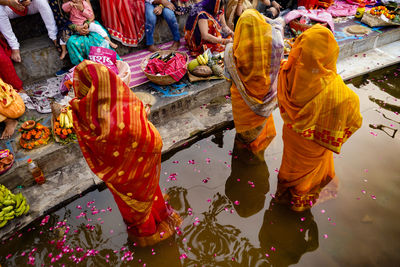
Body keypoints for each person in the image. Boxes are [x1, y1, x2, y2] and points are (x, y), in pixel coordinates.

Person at [70, 60, 181, 247]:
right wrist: (143, 117)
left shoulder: (81, 112)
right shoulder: (125, 101)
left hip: (118, 176)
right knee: (149, 195)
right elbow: (144, 135)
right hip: (141, 169)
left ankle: (146, 236)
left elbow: (93, 141)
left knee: (133, 206)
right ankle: (155, 229)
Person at [277, 24, 362, 212]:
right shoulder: (336, 93)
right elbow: (354, 117)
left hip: (292, 139)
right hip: (314, 147)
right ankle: (297, 208)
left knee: (291, 169)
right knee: (305, 180)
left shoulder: (287, 72)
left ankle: (285, 202)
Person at [224, 9, 284, 155]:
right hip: (267, 98)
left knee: (246, 138)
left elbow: (228, 78)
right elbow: (279, 25)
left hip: (243, 106)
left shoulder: (230, 52)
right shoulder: (275, 45)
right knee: (260, 135)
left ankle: (248, 151)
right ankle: (259, 147)